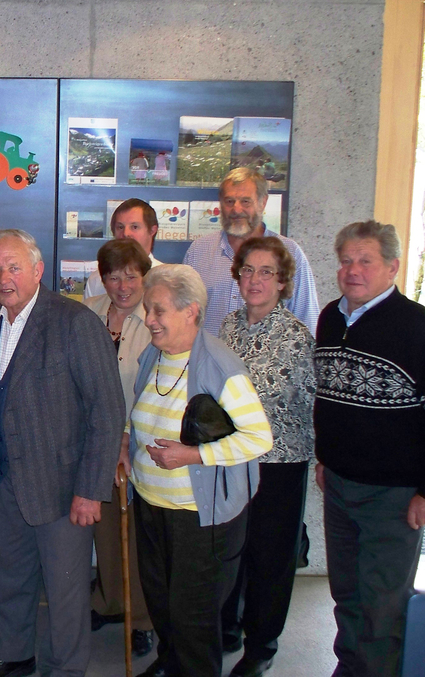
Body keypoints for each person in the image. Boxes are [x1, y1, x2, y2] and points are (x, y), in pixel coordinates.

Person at [0, 229, 125, 677]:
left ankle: (66, 669)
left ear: (38, 270)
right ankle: (13, 654)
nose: (4, 278)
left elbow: (107, 410)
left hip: (63, 487)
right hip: (4, 480)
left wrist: (91, 490)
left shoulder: (75, 322)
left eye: (14, 267)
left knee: (65, 589)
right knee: (8, 576)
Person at [123, 264, 272, 677]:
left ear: (190, 311)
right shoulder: (155, 355)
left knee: (193, 616)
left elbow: (259, 438)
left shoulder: (219, 365)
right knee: (161, 600)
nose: (149, 320)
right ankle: (171, 662)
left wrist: (191, 455)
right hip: (152, 503)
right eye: (148, 310)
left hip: (199, 517)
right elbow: (144, 411)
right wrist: (126, 440)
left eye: (158, 310)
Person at [314, 220, 425, 677]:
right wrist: (325, 459)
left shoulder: (416, 325)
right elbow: (328, 395)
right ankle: (350, 667)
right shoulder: (330, 316)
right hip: (339, 485)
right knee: (347, 594)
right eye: (346, 261)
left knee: (383, 604)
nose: (353, 270)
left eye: (365, 261)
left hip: (393, 495)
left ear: (393, 267)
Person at [218, 236, 315, 677]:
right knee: (232, 550)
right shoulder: (228, 327)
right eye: (247, 270)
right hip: (232, 461)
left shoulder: (296, 338)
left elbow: (309, 406)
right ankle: (229, 628)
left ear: (282, 282)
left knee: (269, 559)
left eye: (266, 272)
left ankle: (262, 646)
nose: (254, 280)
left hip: (279, 464)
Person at [82, 238, 154, 657]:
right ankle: (109, 600)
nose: (122, 286)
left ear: (144, 276)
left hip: (139, 440)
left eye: (130, 276)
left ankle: (140, 617)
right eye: (113, 277)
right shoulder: (88, 313)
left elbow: (155, 385)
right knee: (105, 527)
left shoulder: (155, 317)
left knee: (137, 534)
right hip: (94, 437)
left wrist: (126, 433)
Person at [183, 167, 319, 336]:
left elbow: (307, 322)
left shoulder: (290, 252)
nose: (236, 210)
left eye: (245, 201)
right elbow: (183, 316)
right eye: (229, 201)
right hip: (208, 353)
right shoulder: (198, 251)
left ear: (263, 202)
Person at [83, 199, 161, 298]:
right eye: (120, 227)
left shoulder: (166, 279)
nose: (125, 233)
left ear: (152, 230)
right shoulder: (96, 280)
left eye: (134, 227)